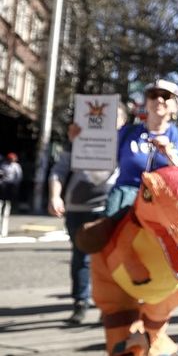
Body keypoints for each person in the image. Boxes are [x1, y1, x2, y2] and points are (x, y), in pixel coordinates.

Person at [48, 123, 117, 324]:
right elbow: (58, 170)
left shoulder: (125, 142)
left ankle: (110, 306)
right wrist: (55, 196)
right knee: (80, 258)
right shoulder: (76, 143)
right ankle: (80, 302)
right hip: (78, 209)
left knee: (111, 260)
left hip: (108, 208)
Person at [106, 80, 178, 216]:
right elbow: (102, 167)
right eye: (153, 95)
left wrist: (170, 155)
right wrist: (81, 139)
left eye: (166, 96)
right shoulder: (126, 132)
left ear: (176, 106)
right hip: (124, 208)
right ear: (147, 102)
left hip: (166, 210)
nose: (159, 99)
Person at [0, 152, 23, 236]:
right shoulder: (3, 165)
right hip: (3, 186)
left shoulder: (16, 166)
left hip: (11, 186)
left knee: (7, 206)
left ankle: (4, 231)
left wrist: (15, 186)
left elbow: (19, 177)